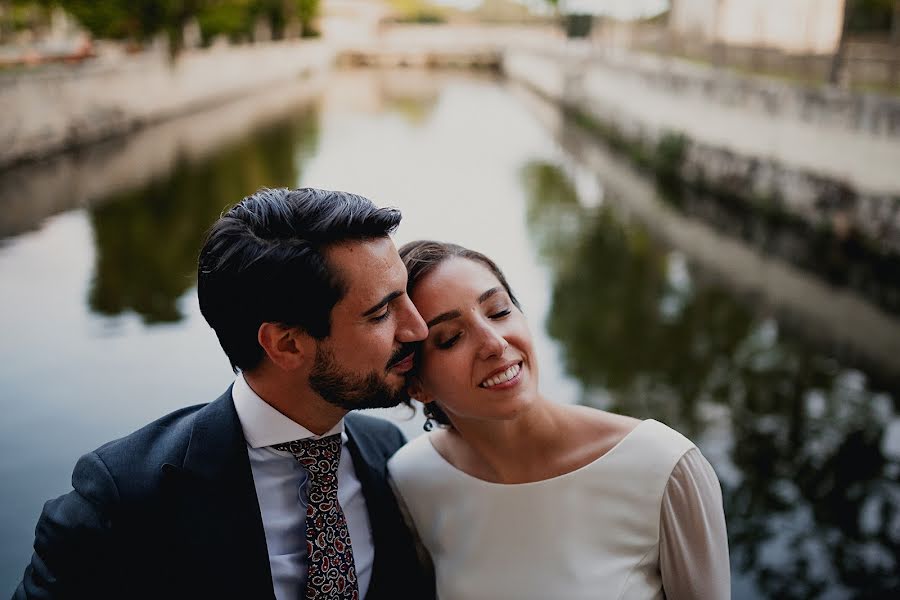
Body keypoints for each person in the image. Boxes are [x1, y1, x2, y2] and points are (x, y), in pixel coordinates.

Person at [16, 188, 435, 600]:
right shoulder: (121, 500)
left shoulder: (388, 454)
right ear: (286, 344)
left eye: (407, 298)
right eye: (381, 312)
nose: (418, 328)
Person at [388, 241, 730, 600]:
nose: (494, 343)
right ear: (418, 385)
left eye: (499, 311)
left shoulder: (664, 466)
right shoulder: (411, 479)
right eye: (451, 338)